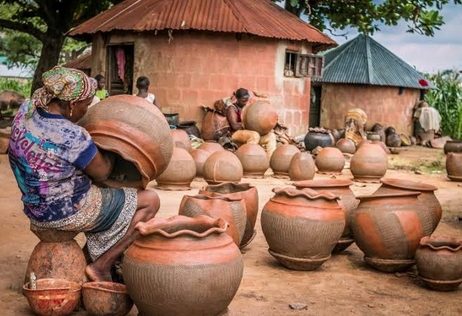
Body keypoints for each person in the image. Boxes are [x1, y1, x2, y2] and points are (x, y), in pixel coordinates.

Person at [8, 66, 160, 282]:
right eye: (86, 106)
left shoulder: (27, 110)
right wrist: (116, 147)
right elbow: (102, 172)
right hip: (63, 213)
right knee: (149, 200)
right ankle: (101, 265)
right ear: (72, 104)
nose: (86, 111)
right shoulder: (73, 136)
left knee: (107, 191)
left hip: (34, 207)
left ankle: (89, 255)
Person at [225, 88, 277, 160]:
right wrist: (246, 123)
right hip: (235, 134)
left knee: (271, 136)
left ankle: (270, 161)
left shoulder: (248, 108)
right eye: (243, 100)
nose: (245, 102)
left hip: (249, 133)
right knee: (254, 135)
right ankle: (247, 160)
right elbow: (234, 126)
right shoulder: (232, 108)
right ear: (237, 99)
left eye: (247, 99)